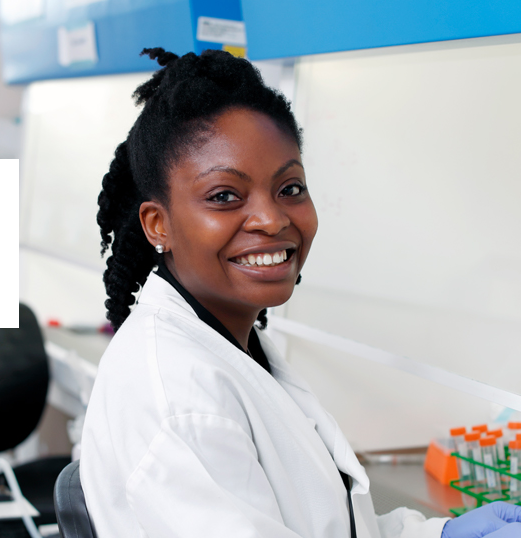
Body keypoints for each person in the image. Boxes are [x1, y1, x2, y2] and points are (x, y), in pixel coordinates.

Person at [79, 48, 521, 538]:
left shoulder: (231, 343)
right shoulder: (178, 397)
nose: (272, 219)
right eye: (224, 196)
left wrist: (436, 536)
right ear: (158, 224)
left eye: (289, 188)